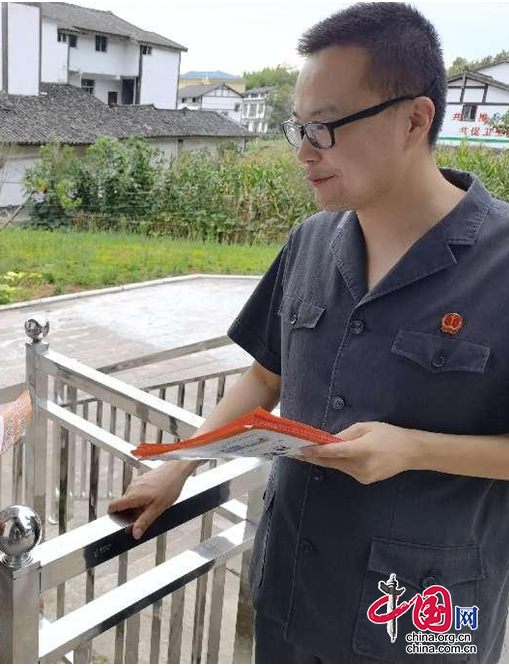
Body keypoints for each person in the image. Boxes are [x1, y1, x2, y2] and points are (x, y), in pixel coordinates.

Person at [109, 3, 509, 662]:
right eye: (299, 127)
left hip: (423, 619)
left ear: (414, 118)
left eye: (324, 128)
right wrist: (179, 467)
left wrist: (413, 448)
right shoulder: (310, 243)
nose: (302, 153)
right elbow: (264, 376)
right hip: (293, 586)